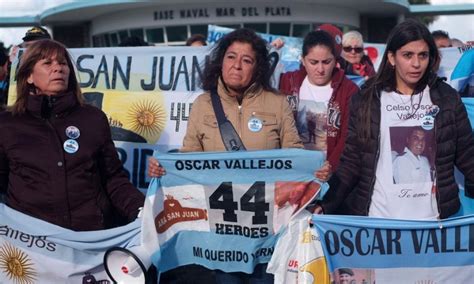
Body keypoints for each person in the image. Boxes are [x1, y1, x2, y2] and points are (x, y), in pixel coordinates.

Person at [149, 28, 332, 284]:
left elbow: (295, 156)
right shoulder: (203, 104)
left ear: (257, 67)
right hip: (222, 231)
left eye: (247, 60)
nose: (237, 66)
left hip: (267, 229)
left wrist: (315, 172)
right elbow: (189, 159)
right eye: (231, 57)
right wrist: (165, 169)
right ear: (221, 61)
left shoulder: (277, 103)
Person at [315, 19, 474, 220]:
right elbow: (352, 161)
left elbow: (468, 156)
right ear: (391, 57)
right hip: (380, 223)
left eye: (423, 55)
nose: (416, 64)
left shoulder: (447, 98)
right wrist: (326, 204)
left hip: (434, 224)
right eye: (407, 55)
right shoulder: (367, 99)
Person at [0, 39, 145, 231]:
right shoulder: (8, 123)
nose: (58, 68)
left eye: (63, 63)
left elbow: (113, 179)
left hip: (89, 237)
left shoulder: (93, 119)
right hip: (29, 244)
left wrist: (142, 210)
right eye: (47, 63)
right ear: (29, 77)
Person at [279, 30, 359, 172]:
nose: (320, 69)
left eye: (326, 62)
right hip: (291, 171)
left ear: (335, 60)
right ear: (303, 60)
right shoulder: (287, 82)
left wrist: (331, 166)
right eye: (313, 62)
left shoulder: (348, 90)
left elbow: (348, 137)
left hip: (330, 174)